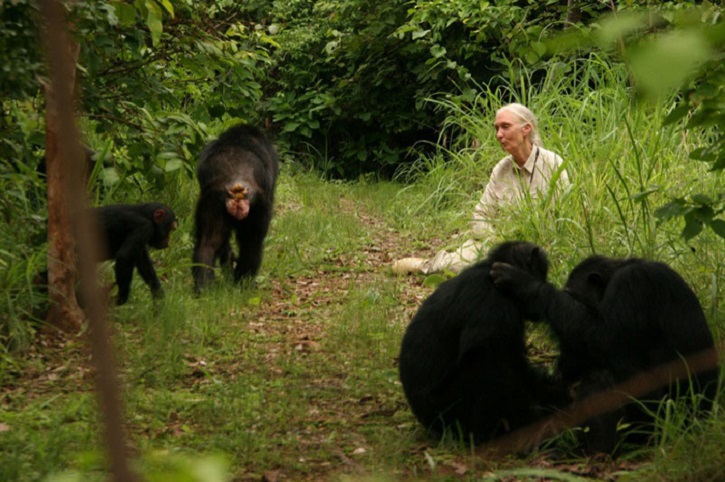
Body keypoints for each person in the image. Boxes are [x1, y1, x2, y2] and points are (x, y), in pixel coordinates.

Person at [392, 103, 570, 275]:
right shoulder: (501, 169)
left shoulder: (552, 164)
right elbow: (481, 215)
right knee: (462, 264)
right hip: (496, 245)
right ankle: (427, 266)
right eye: (496, 128)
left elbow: (559, 221)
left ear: (526, 129)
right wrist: (497, 242)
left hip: (536, 248)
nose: (499, 135)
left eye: (505, 127)